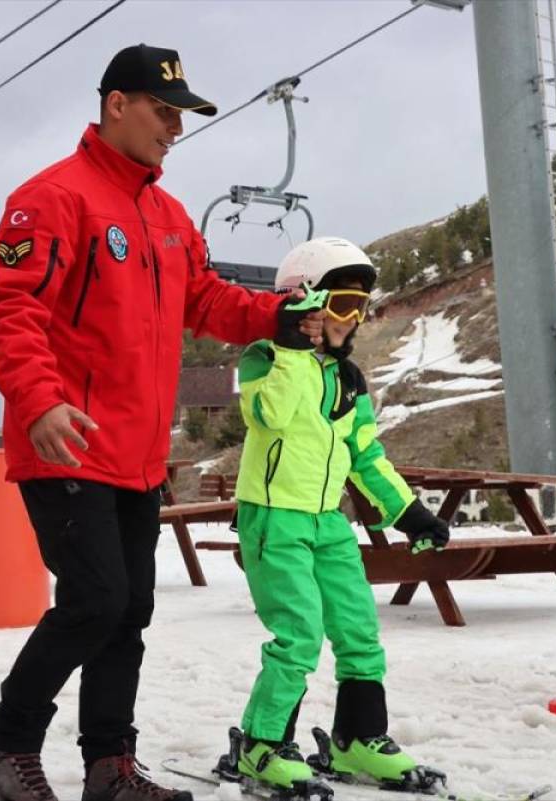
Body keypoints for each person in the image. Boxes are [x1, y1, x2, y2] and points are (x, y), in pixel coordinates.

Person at [0, 44, 322, 801]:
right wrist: (38, 401)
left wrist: (282, 318)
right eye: (163, 110)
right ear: (115, 104)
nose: (174, 127)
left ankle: (110, 766)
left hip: (135, 453)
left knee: (128, 609)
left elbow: (209, 298)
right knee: (94, 599)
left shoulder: (165, 215)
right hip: (64, 442)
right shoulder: (53, 197)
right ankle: (8, 741)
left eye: (181, 115)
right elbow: (10, 308)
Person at [226, 237, 450, 793]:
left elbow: (366, 457)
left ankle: (357, 741)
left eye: (360, 308)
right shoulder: (264, 358)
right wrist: (290, 346)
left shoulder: (348, 380)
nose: (353, 320)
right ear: (303, 302)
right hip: (275, 517)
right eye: (343, 304)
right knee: (299, 635)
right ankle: (262, 745)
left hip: (328, 520)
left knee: (359, 632)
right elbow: (267, 416)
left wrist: (411, 513)